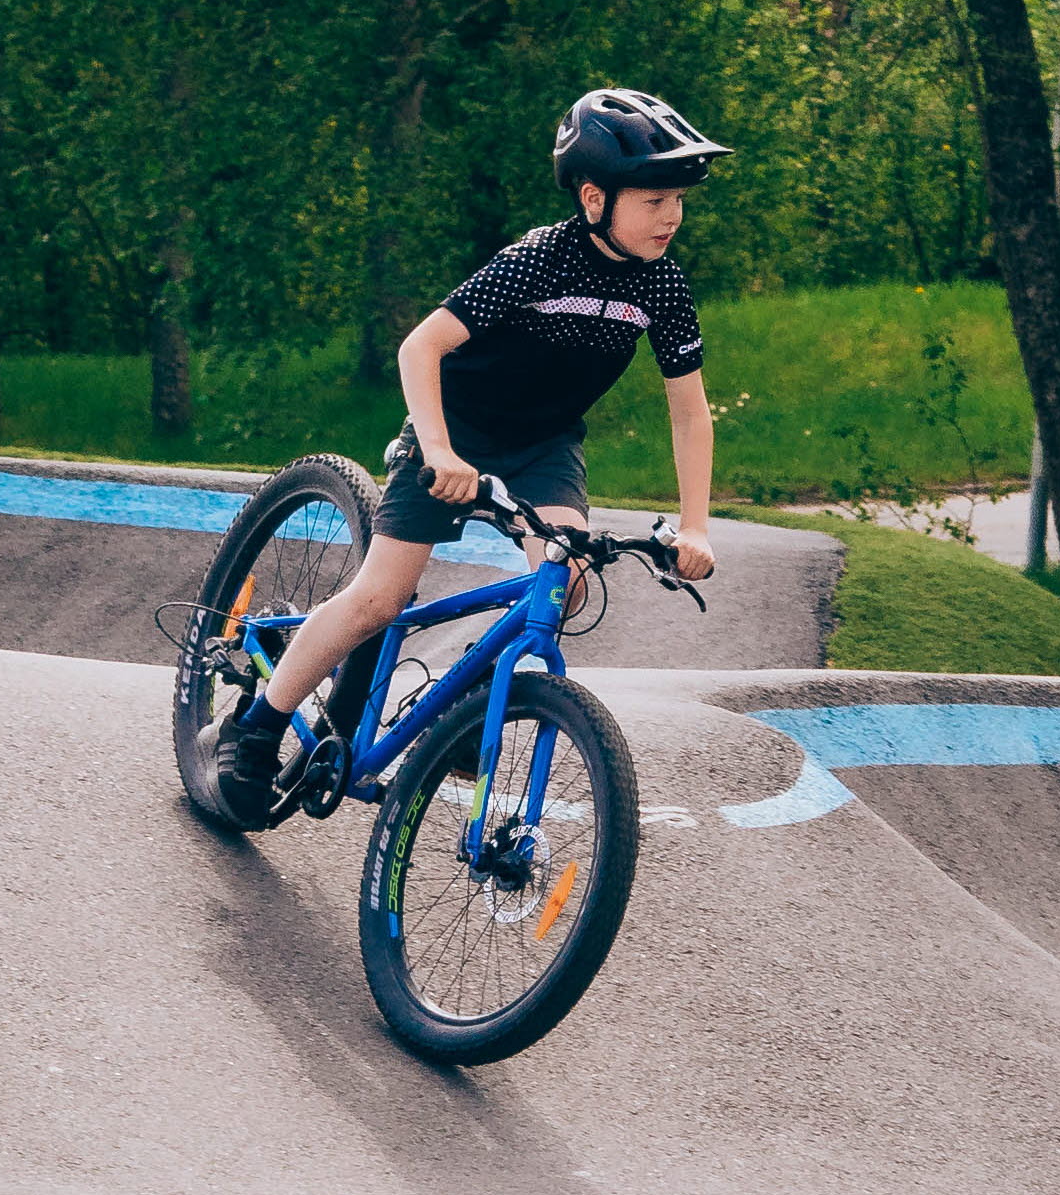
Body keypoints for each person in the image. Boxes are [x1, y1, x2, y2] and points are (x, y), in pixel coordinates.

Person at [217, 86, 729, 825]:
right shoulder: (537, 262)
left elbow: (689, 412)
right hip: (452, 431)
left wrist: (695, 526)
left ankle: (455, 706)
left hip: (543, 446)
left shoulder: (663, 286)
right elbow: (419, 346)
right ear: (593, 197)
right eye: (654, 200)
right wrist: (437, 450)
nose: (672, 216)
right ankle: (259, 727)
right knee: (381, 597)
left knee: (568, 580)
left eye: (678, 200)